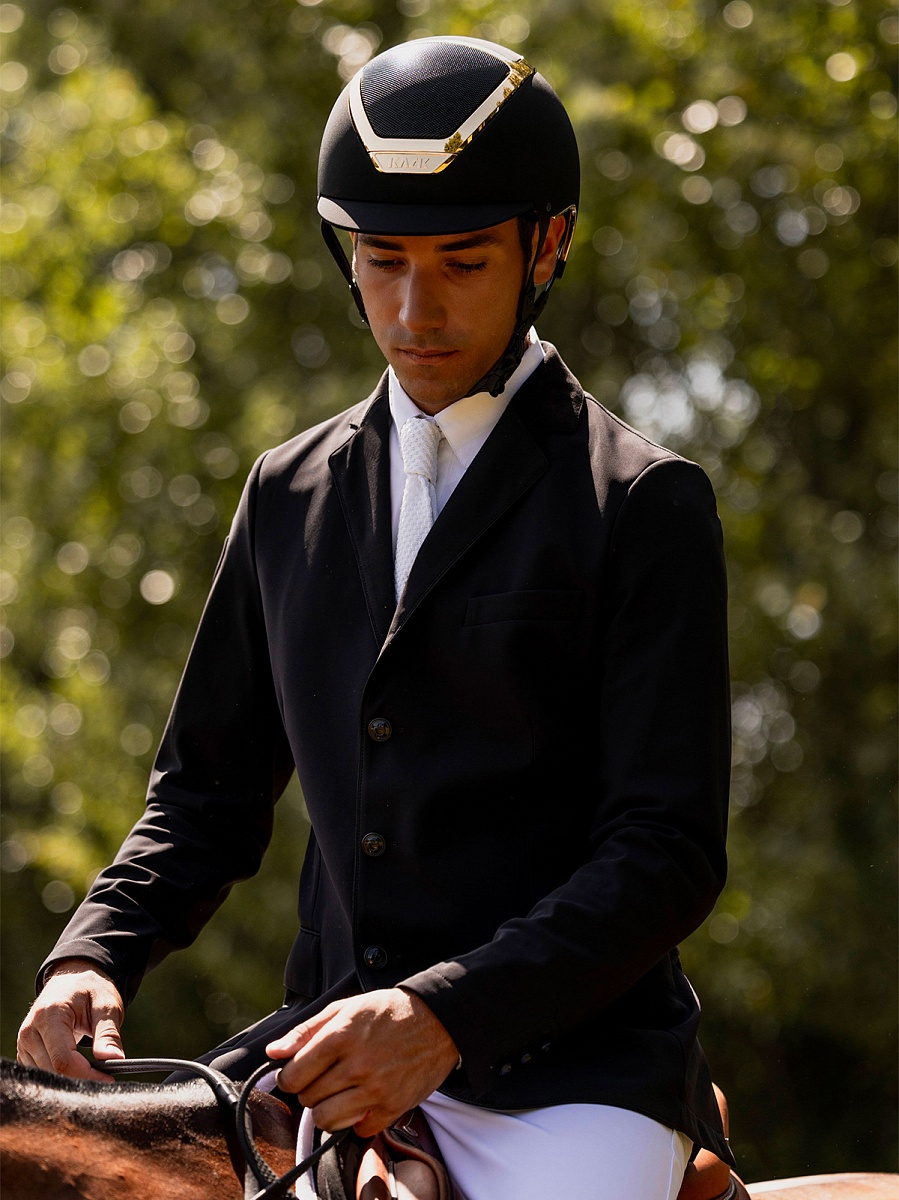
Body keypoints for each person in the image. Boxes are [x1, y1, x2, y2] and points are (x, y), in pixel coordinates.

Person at [18, 36, 735, 1199]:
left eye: (462, 262)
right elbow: (204, 797)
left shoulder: (641, 502)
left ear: (546, 245)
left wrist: (443, 1016)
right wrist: (93, 954)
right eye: (381, 260)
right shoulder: (286, 492)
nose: (413, 308)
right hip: (323, 1050)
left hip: (568, 1081)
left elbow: (665, 852)